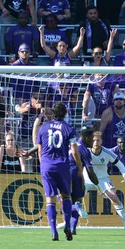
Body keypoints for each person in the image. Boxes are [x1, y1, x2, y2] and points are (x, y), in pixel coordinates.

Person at [36, 102, 80, 241]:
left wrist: (43, 165)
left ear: (52, 113)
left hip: (47, 165)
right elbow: (74, 150)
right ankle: (67, 224)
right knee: (66, 196)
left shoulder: (43, 128)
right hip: (62, 166)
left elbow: (39, 149)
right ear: (65, 113)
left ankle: (54, 231)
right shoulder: (69, 128)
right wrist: (79, 166)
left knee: (50, 199)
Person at [84, 131, 125, 231]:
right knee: (72, 198)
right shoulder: (85, 152)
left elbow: (119, 164)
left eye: (98, 140)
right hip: (87, 180)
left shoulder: (107, 152)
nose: (95, 142)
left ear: (102, 141)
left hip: (103, 180)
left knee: (114, 197)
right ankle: (68, 222)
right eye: (93, 140)